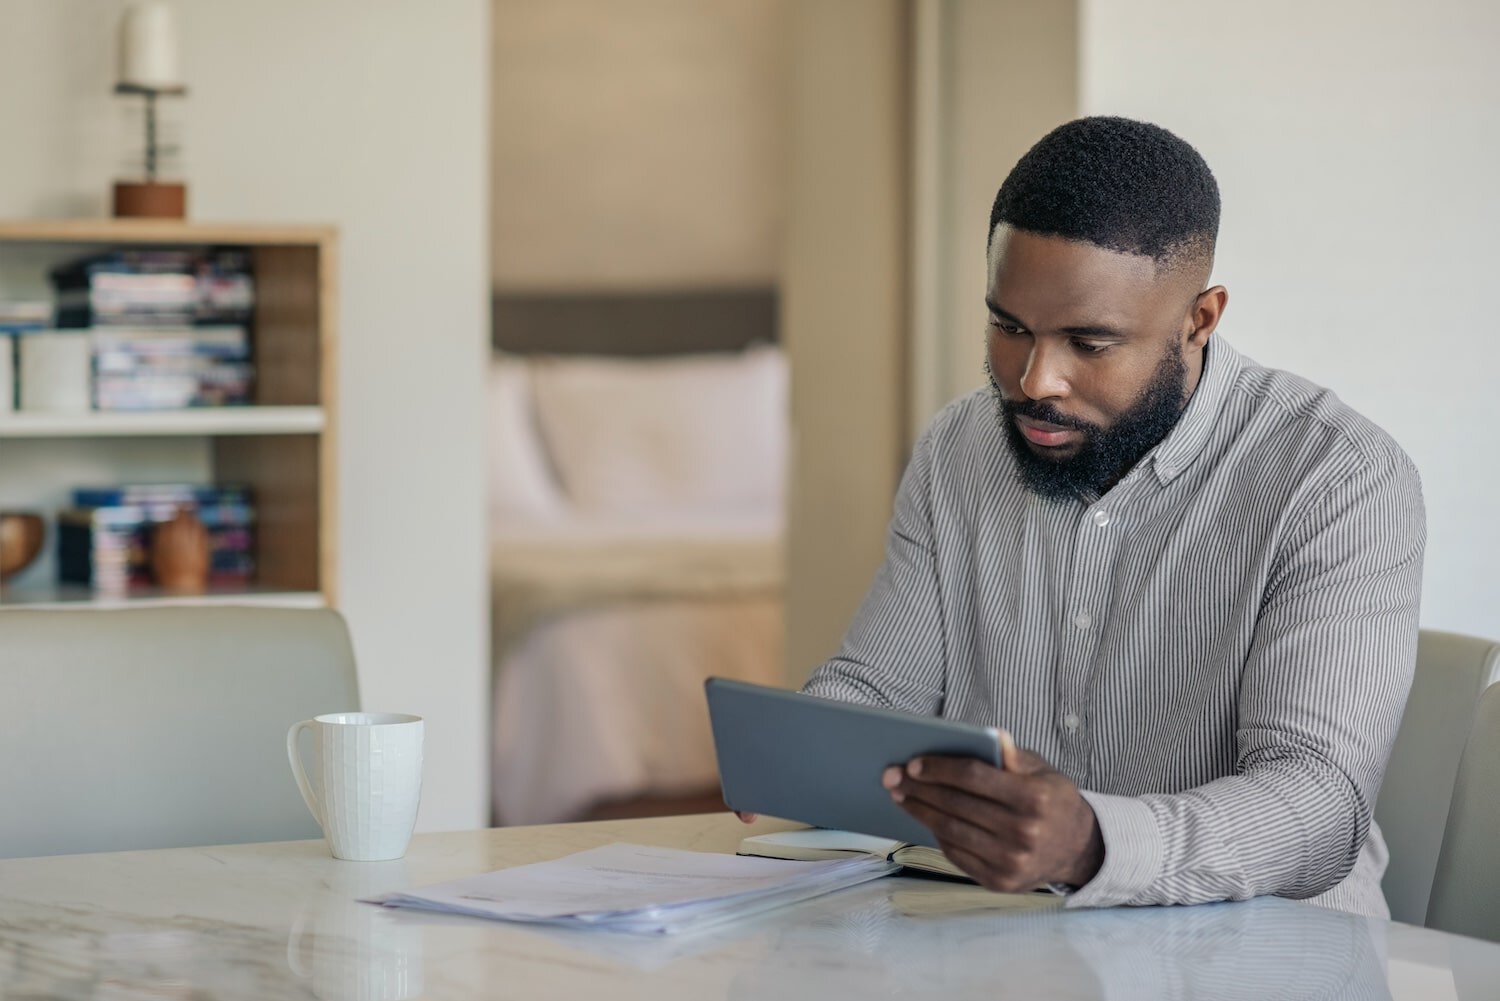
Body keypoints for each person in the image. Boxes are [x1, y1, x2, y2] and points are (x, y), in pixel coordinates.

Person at [767, 116, 1425, 918]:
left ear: (1201, 318)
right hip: (1009, 942)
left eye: (1090, 342)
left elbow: (1319, 807)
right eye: (1009, 327)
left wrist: (1090, 843)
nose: (1034, 379)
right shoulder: (958, 447)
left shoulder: (1336, 479)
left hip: (1268, 955)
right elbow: (879, 685)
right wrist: (797, 754)